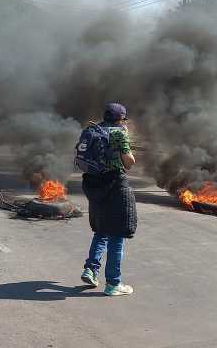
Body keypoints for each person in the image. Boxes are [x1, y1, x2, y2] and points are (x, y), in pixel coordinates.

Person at [79, 102, 138, 296]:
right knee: (117, 234)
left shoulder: (93, 130)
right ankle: (113, 283)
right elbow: (129, 162)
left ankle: (90, 270)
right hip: (114, 185)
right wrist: (125, 139)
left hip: (95, 184)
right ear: (120, 119)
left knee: (101, 230)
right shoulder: (119, 134)